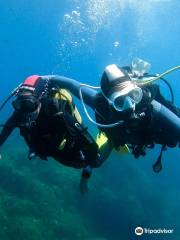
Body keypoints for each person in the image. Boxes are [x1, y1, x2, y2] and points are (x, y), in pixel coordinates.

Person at [33, 59, 180, 172]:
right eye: (120, 101)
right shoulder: (101, 106)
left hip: (156, 133)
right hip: (116, 137)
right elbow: (70, 84)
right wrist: (34, 82)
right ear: (109, 103)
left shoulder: (152, 107)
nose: (130, 106)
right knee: (93, 162)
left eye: (134, 95)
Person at [0, 75, 108, 193]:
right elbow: (6, 130)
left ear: (39, 101)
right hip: (46, 148)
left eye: (29, 105)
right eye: (19, 105)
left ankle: (110, 140)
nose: (25, 113)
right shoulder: (20, 112)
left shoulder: (56, 111)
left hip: (66, 149)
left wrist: (85, 177)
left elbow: (91, 146)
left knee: (94, 162)